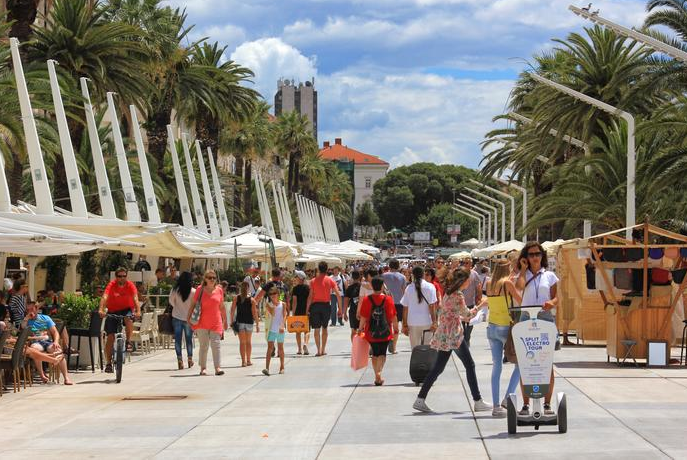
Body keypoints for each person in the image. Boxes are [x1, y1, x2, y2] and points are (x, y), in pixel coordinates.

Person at [413, 267, 491, 413]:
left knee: (438, 368)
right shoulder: (458, 295)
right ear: (464, 280)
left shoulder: (448, 293)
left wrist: (459, 317)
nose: (470, 281)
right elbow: (468, 315)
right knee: (470, 365)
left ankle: (420, 398)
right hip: (454, 335)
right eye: (469, 279)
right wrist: (481, 305)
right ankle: (478, 400)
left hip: (445, 335)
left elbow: (449, 313)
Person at [515, 241, 559, 416]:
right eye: (531, 254)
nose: (535, 257)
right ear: (526, 257)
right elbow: (518, 288)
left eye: (537, 254)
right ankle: (526, 404)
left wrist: (551, 303)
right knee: (525, 363)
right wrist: (524, 269)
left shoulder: (549, 276)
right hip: (526, 317)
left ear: (542, 256)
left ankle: (547, 404)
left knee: (546, 362)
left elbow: (557, 299)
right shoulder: (521, 274)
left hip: (545, 317)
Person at [481, 260, 522, 417]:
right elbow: (520, 301)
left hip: (492, 327)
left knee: (496, 366)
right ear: (508, 268)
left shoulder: (490, 283)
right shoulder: (508, 284)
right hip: (506, 327)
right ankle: (508, 397)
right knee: (520, 364)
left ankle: (496, 406)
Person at [99, 267, 141, 373]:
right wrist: (101, 309)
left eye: (124, 276)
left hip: (126, 309)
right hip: (113, 310)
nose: (122, 278)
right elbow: (104, 297)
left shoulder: (130, 285)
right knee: (110, 337)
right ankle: (108, 363)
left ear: (126, 277)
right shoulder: (111, 285)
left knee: (128, 319)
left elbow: (135, 298)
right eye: (119, 276)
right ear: (116, 277)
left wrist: (138, 311)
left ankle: (128, 341)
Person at [358, 276, 398, 386]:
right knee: (382, 353)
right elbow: (392, 316)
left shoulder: (367, 299)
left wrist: (360, 329)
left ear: (371, 286)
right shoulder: (388, 299)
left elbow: (363, 317)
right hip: (385, 331)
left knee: (375, 353)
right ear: (382, 286)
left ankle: (376, 374)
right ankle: (379, 372)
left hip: (371, 332)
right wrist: (396, 328)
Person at [21, 301, 73, 385]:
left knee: (58, 350)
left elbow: (55, 332)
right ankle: (42, 375)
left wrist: (56, 342)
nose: (30, 311)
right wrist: (26, 319)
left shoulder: (46, 318)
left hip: (47, 341)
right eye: (28, 310)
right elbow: (23, 329)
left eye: (32, 309)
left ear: (37, 309)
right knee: (35, 349)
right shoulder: (26, 320)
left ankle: (66, 378)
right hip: (36, 342)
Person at [188, 269, 227, 376]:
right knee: (204, 346)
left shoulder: (219, 290)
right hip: (201, 322)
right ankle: (203, 368)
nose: (212, 280)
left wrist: (225, 320)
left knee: (216, 345)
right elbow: (192, 304)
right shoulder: (200, 289)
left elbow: (222, 306)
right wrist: (188, 318)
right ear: (205, 279)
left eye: (214, 278)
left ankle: (217, 367)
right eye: (209, 277)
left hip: (216, 322)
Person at [306, 261, 341, 356]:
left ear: (318, 269)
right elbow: (338, 294)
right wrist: (340, 309)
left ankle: (318, 350)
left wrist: (307, 309)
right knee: (325, 328)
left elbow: (310, 296)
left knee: (316, 329)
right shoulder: (330, 281)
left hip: (315, 306)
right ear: (327, 269)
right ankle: (323, 349)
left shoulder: (313, 281)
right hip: (326, 306)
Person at [401, 266, 438, 349]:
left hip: (412, 322)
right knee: (427, 347)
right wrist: (435, 322)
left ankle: (416, 362)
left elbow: (405, 308)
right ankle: (426, 362)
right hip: (427, 322)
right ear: (423, 274)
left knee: (415, 348)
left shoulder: (409, 288)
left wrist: (404, 325)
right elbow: (432, 306)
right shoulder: (430, 287)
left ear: (413, 275)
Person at [168, 271, 195, 370]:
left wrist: (177, 307)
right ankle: (190, 359)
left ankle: (179, 360)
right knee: (189, 340)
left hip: (177, 317)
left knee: (178, 340)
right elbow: (196, 304)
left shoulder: (175, 290)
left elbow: (171, 301)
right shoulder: (193, 291)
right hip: (188, 319)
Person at [382, 259, 407, 354]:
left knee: (387, 324)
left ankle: (388, 339)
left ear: (389, 266)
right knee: (396, 326)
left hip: (386, 303)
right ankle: (394, 346)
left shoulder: (384, 276)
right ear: (398, 266)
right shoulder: (402, 277)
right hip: (399, 303)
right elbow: (404, 291)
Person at [231, 281, 258, 366]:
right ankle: (249, 360)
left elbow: (232, 310)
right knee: (248, 342)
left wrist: (231, 321)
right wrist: (257, 323)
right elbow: (254, 313)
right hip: (249, 322)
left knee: (242, 342)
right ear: (248, 288)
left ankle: (243, 361)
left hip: (240, 322)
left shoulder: (236, 298)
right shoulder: (252, 300)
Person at [262, 287, 288, 376]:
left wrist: (282, 325)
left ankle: (282, 367)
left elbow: (285, 315)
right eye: (271, 295)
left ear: (278, 294)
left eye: (274, 294)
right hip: (271, 329)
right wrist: (273, 305)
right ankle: (267, 368)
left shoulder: (283, 304)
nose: (273, 296)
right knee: (270, 348)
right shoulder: (268, 304)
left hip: (280, 329)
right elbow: (272, 313)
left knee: (280, 348)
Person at [460, 257, 482, 346]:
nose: (465, 264)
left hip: (470, 303)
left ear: (471, 264)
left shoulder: (474, 274)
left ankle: (467, 338)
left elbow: (479, 287)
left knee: (470, 323)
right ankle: (463, 339)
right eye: (464, 263)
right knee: (461, 323)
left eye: (467, 263)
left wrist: (478, 298)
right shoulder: (459, 274)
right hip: (460, 304)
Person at [290, 270, 310, 355]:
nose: (295, 278)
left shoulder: (295, 289)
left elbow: (294, 302)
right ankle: (305, 344)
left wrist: (293, 313)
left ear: (300, 278)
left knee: (298, 331)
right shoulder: (308, 288)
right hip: (306, 311)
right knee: (307, 330)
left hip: (298, 311)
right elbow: (309, 300)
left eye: (297, 277)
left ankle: (299, 349)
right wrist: (308, 310)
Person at [343, 270, 362, 341]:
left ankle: (354, 347)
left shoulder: (349, 288)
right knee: (363, 330)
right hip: (362, 311)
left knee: (353, 331)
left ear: (352, 277)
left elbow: (345, 302)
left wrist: (344, 313)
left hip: (353, 311)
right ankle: (362, 346)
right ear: (360, 276)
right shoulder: (363, 287)